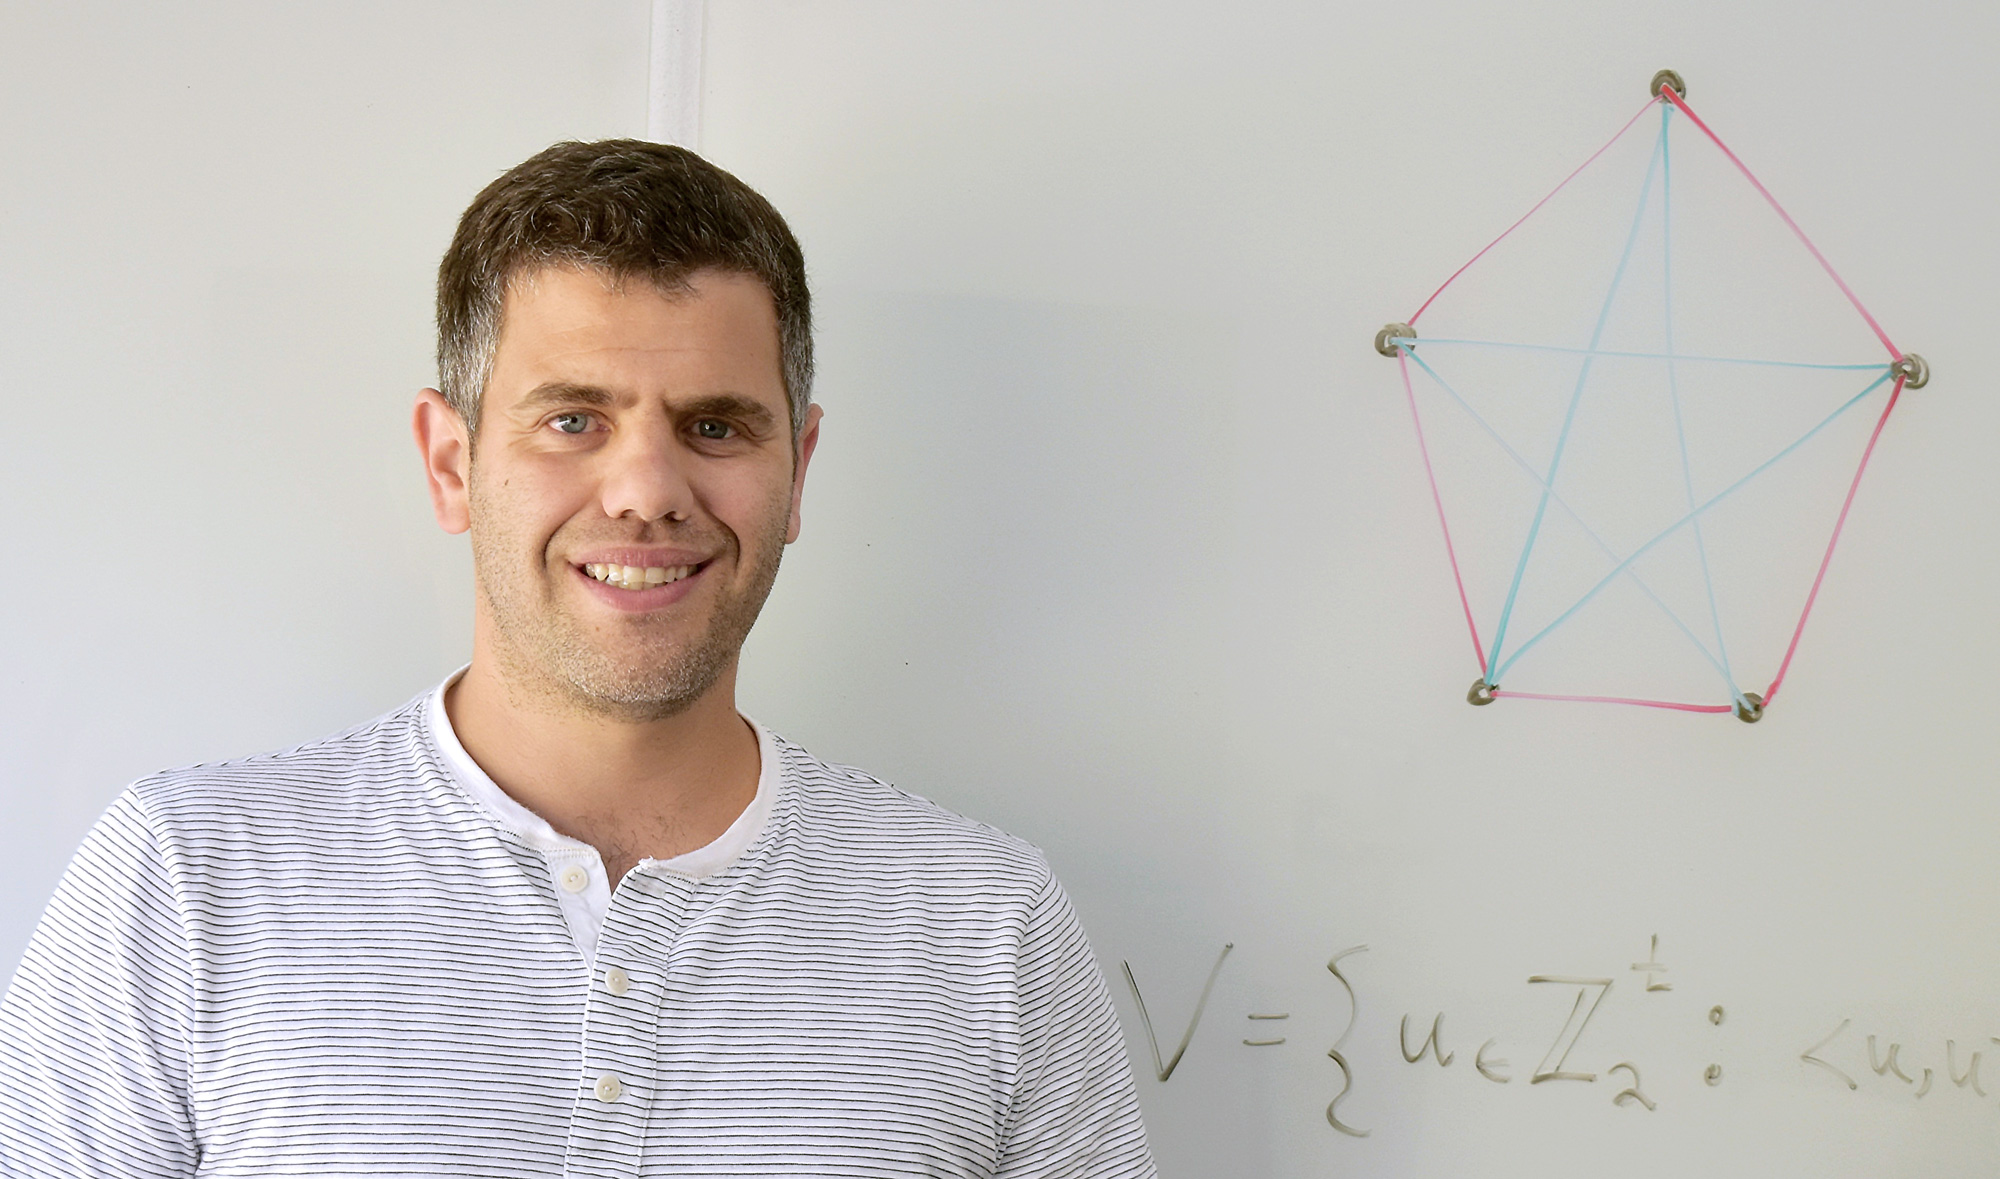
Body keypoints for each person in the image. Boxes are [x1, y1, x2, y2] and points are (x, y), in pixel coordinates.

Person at [0, 140, 1156, 1176]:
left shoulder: (986, 923)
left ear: (797, 469)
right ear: (451, 463)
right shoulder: (191, 880)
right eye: (571, 420)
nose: (648, 491)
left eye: (714, 425)